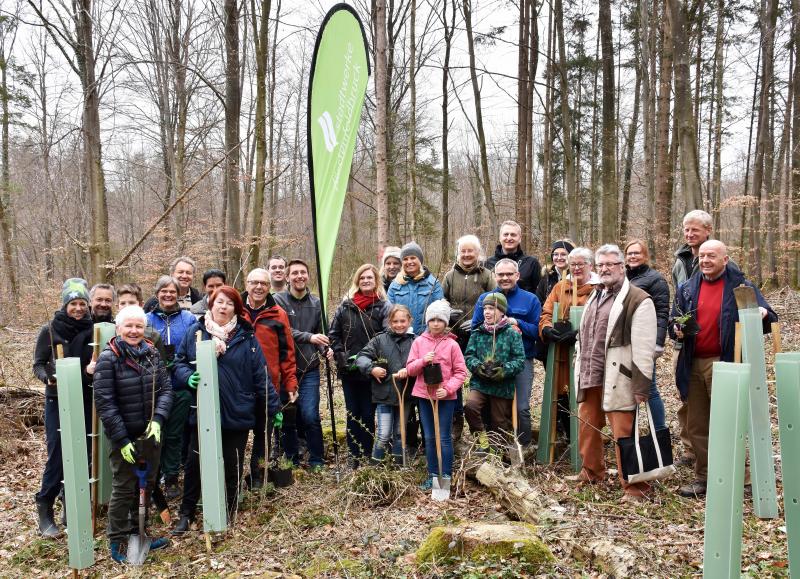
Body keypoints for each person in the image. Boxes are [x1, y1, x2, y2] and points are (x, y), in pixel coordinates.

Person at [672, 240, 777, 497]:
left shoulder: (741, 287)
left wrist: (761, 313)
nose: (706, 260)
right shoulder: (687, 287)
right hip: (692, 362)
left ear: (725, 259)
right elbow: (674, 320)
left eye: (712, 256)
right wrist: (675, 329)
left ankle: (742, 479)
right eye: (703, 256)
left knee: (730, 421)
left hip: (727, 360)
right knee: (697, 424)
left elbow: (769, 318)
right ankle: (704, 477)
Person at [172, 286, 281, 532]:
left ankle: (229, 510)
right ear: (211, 304)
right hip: (203, 410)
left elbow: (260, 374)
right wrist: (187, 376)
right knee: (194, 463)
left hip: (237, 409)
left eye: (229, 303)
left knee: (232, 464)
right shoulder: (196, 332)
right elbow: (178, 363)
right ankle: (186, 513)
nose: (223, 307)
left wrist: (273, 408)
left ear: (236, 308)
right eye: (219, 302)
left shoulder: (245, 336)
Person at [572, 244, 657, 502]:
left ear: (622, 267)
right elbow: (583, 335)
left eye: (611, 264)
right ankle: (592, 472)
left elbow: (644, 348)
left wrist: (642, 386)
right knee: (587, 427)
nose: (606, 269)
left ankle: (635, 487)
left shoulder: (638, 299)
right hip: (591, 374)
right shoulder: (595, 295)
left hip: (620, 378)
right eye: (601, 265)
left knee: (624, 433)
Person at [93, 305, 173, 563]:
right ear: (119, 329)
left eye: (139, 326)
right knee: (125, 487)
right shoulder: (109, 358)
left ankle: (140, 531)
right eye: (129, 326)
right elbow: (105, 402)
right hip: (123, 436)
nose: (134, 330)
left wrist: (159, 419)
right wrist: (122, 439)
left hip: (150, 434)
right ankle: (117, 538)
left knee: (147, 484)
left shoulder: (151, 354)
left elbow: (166, 390)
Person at [671, 209, 738, 465]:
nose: (689, 234)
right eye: (686, 229)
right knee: (687, 399)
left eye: (695, 230)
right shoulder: (681, 260)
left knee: (719, 408)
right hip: (686, 344)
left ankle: (728, 465)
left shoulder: (723, 260)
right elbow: (678, 299)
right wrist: (676, 327)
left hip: (717, 349)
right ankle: (693, 453)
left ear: (707, 231)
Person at [32, 278, 95, 538]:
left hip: (86, 397)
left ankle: (72, 504)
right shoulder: (50, 330)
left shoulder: (94, 330)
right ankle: (45, 506)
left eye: (82, 303)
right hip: (57, 400)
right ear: (65, 304)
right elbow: (38, 364)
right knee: (58, 454)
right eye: (73, 303)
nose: (78, 308)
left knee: (84, 453)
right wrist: (49, 377)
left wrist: (90, 371)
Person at [472, 258, 541, 445]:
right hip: (490, 362)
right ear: (494, 276)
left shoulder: (530, 299)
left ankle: (524, 445)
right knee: (489, 407)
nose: (505, 278)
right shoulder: (485, 299)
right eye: (500, 274)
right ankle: (491, 445)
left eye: (509, 274)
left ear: (517, 275)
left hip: (521, 360)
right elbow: (475, 326)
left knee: (521, 408)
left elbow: (537, 331)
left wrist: (517, 323)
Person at [329, 264, 391, 468]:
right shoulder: (345, 307)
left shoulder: (383, 307)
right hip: (349, 371)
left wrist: (371, 362)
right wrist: (341, 356)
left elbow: (385, 338)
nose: (366, 281)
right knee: (351, 413)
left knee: (367, 413)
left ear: (376, 281)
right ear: (357, 280)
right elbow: (333, 335)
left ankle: (367, 452)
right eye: (362, 277)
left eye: (370, 278)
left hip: (371, 372)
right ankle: (353, 455)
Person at [242, 268, 298, 487]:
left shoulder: (278, 314)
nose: (258, 287)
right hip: (238, 385)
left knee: (263, 433)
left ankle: (257, 475)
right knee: (236, 433)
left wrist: (290, 382)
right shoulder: (236, 311)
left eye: (263, 284)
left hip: (268, 385)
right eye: (254, 282)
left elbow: (287, 352)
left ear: (269, 287)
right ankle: (234, 477)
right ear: (246, 284)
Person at [274, 259, 331, 470]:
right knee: (288, 415)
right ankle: (291, 460)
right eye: (295, 273)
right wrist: (310, 337)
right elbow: (282, 330)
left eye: (303, 272)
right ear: (287, 277)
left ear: (308, 276)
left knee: (310, 416)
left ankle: (317, 459)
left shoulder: (317, 303)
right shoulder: (278, 301)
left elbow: (322, 335)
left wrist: (326, 349)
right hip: (284, 369)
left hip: (309, 369)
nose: (299, 276)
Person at [404, 300, 467, 490]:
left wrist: (447, 389)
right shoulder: (419, 342)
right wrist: (423, 361)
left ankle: (445, 476)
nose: (436, 323)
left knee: (444, 437)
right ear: (427, 321)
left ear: (446, 322)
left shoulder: (452, 345)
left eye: (440, 320)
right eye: (432, 320)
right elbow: (410, 369)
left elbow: (461, 373)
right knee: (429, 437)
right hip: (424, 397)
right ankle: (433, 475)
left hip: (445, 399)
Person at [146, 276, 197, 500]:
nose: (168, 295)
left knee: (175, 435)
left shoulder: (188, 318)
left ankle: (172, 477)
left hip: (179, 386)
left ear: (179, 294)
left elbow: (192, 349)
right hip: (151, 388)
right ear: (157, 293)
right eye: (164, 291)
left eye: (172, 292)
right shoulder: (146, 319)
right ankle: (152, 479)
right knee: (156, 434)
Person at [538, 247, 596, 440]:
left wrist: (579, 334)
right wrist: (546, 328)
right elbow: (546, 313)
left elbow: (603, 321)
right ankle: (570, 437)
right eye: (573, 265)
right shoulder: (560, 287)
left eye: (581, 264)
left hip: (589, 353)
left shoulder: (599, 288)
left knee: (586, 394)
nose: (577, 268)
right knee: (563, 391)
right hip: (562, 352)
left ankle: (587, 440)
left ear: (590, 265)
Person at [442, 234, 495, 442]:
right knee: (453, 377)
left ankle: (482, 424)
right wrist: (449, 314)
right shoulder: (449, 276)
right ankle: (456, 421)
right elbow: (441, 301)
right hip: (453, 335)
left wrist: (478, 320)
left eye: (470, 251)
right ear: (458, 253)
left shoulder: (486, 275)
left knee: (480, 376)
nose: (466, 254)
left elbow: (495, 301)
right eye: (463, 251)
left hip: (479, 335)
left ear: (477, 253)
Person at [464, 293, 525, 451]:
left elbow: (519, 360)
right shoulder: (478, 333)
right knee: (471, 406)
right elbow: (469, 355)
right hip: (480, 383)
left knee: (499, 421)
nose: (487, 312)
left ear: (502, 311)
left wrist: (503, 370)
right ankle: (482, 442)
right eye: (485, 309)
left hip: (502, 386)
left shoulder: (512, 334)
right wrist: (478, 367)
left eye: (492, 308)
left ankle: (497, 452)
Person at [356, 304, 416, 464]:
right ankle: (375, 469)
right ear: (390, 322)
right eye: (395, 321)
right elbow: (361, 357)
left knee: (399, 433)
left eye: (403, 321)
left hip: (405, 395)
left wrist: (409, 370)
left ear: (409, 321)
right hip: (384, 395)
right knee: (383, 434)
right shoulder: (379, 340)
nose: (399, 325)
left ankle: (398, 468)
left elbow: (421, 362)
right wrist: (372, 368)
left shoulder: (415, 341)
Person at [624, 240, 669, 432]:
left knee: (648, 389)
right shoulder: (622, 277)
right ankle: (630, 434)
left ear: (645, 256)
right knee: (626, 390)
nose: (632, 256)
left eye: (637, 253)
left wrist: (658, 343)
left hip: (644, 343)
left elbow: (662, 312)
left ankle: (658, 433)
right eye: (629, 253)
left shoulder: (655, 279)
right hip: (623, 342)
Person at [387, 242, 444, 335]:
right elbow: (389, 314)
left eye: (413, 258)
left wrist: (425, 337)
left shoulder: (433, 284)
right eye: (405, 259)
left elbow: (439, 312)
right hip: (400, 337)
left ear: (420, 260)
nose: (409, 262)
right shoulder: (395, 285)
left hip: (427, 337)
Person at [485, 220, 542, 294]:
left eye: (513, 235)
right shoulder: (488, 263)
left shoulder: (531, 263)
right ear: (500, 237)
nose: (509, 238)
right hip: (495, 304)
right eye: (506, 234)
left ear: (520, 238)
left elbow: (539, 293)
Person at [117, 284, 167, 359]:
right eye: (123, 303)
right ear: (117, 306)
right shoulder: (108, 330)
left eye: (131, 303)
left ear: (141, 305)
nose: (127, 307)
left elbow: (161, 365)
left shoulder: (152, 335)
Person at [535, 240, 574, 306]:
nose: (559, 258)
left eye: (563, 254)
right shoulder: (547, 278)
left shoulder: (576, 277)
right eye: (556, 254)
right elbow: (538, 302)